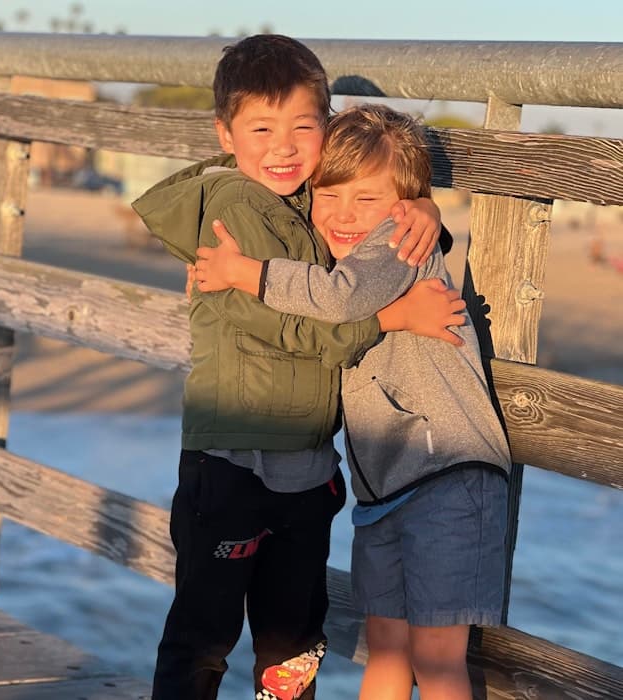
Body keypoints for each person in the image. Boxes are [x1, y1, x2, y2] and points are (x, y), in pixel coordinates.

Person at [132, 35, 464, 700]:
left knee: (293, 641)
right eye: (260, 128)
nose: (282, 147)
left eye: (302, 127)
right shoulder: (232, 211)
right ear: (226, 133)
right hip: (232, 462)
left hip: (306, 468)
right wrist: (389, 322)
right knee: (205, 634)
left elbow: (371, 201)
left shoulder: (307, 200)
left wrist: (421, 207)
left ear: (327, 129)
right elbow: (296, 331)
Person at [193, 103, 512, 700]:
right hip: (384, 493)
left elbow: (340, 299)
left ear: (400, 207)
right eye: (328, 194)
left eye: (366, 200)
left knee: (438, 662)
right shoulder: (344, 246)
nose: (342, 215)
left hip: (449, 478)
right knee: (386, 655)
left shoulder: (398, 242)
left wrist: (244, 272)